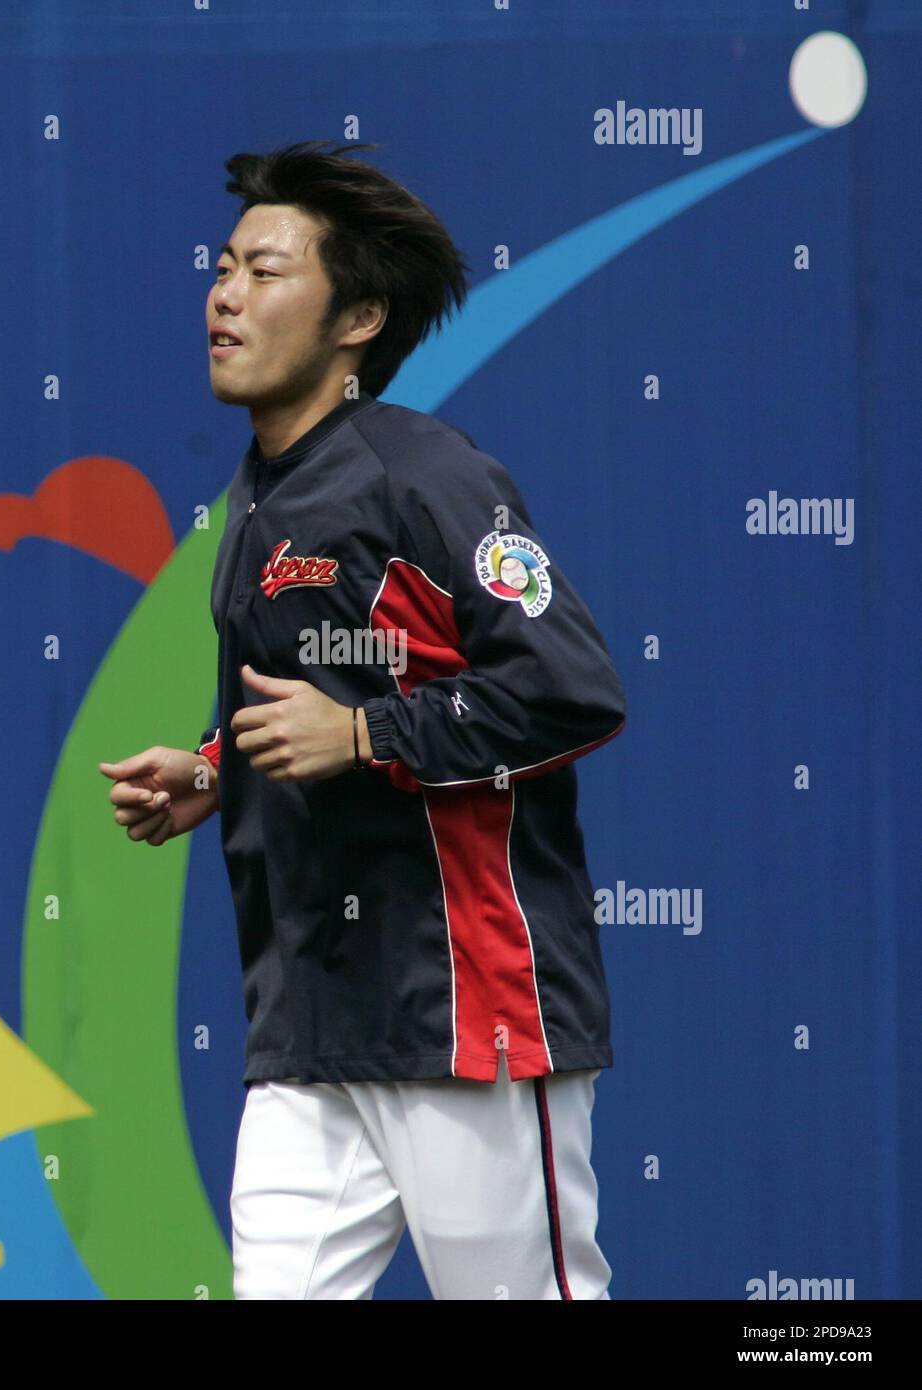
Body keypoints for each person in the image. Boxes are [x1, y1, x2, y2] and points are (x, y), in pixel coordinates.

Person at [99, 140, 626, 1300]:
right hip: (308, 1031)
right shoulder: (254, 501)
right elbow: (330, 688)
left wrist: (367, 738)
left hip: (460, 1018)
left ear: (359, 317)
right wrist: (210, 767)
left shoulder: (425, 474)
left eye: (265, 270)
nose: (225, 295)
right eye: (223, 265)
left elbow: (569, 686)